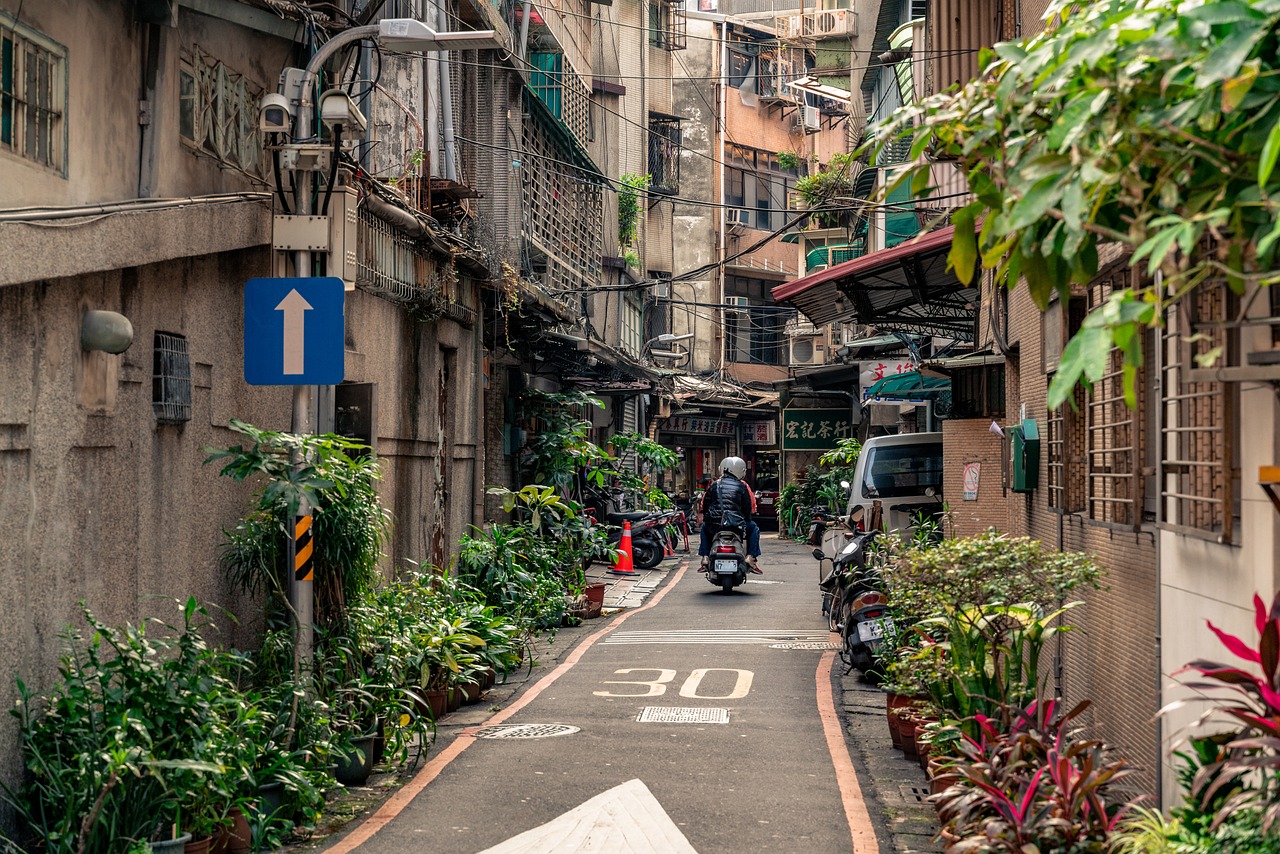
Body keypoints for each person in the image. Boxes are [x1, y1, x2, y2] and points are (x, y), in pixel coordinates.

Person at [698, 456, 763, 573]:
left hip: (714, 525)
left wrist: (707, 518)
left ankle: (705, 557)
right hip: (736, 524)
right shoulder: (742, 486)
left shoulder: (714, 485)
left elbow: (706, 505)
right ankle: (751, 557)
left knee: (704, 528)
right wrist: (746, 519)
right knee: (754, 528)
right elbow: (748, 507)